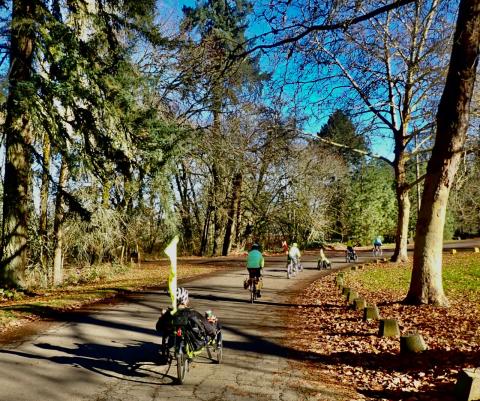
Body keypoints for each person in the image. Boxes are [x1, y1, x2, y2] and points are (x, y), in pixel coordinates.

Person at [156, 287, 219, 353]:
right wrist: (213, 323)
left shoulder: (169, 313)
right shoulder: (192, 313)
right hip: (195, 342)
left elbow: (158, 327)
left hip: (172, 339)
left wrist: (162, 317)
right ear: (184, 300)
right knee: (213, 321)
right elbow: (209, 329)